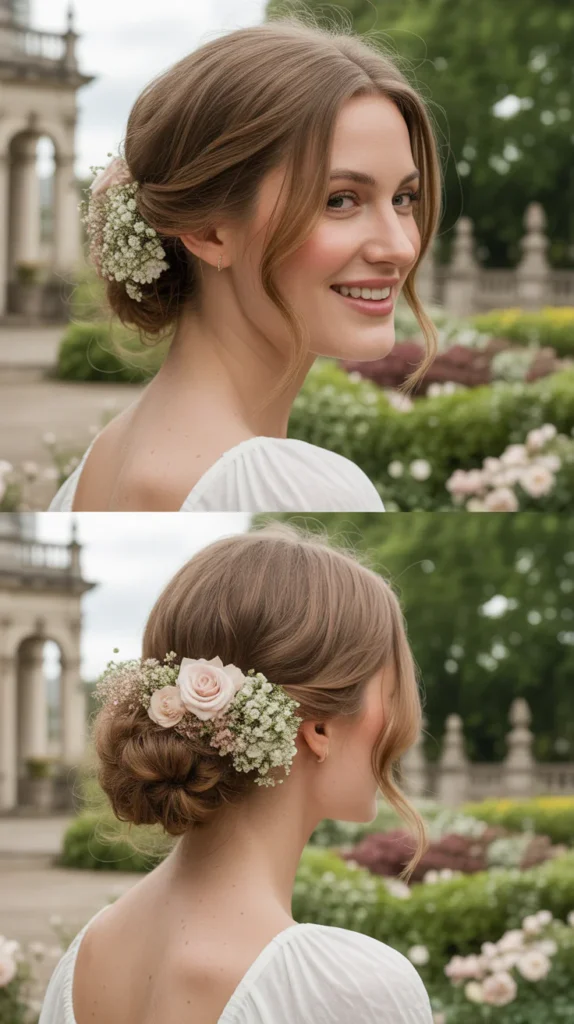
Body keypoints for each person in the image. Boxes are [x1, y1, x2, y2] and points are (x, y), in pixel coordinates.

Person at [39, 521, 433, 1024]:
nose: (404, 720)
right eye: (393, 689)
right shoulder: (348, 990)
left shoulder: (83, 960)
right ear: (318, 727)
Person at [48, 16, 442, 514]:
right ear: (210, 231)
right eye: (340, 200)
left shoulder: (101, 460)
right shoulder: (297, 490)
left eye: (404, 198)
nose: (401, 247)